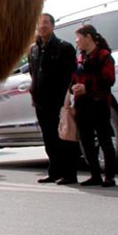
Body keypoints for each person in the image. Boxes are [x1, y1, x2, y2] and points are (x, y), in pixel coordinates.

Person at [29, 13, 79, 184]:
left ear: (52, 25)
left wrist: (67, 97)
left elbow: (71, 74)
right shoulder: (33, 49)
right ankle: (54, 171)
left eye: (45, 23)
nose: (42, 26)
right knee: (49, 138)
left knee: (64, 137)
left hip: (58, 101)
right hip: (41, 101)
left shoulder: (64, 48)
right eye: (39, 23)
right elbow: (33, 73)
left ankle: (70, 173)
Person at [71, 25, 117, 187]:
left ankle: (109, 176)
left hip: (99, 104)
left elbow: (109, 80)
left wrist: (87, 88)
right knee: (86, 140)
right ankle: (95, 174)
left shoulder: (104, 56)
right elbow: (73, 79)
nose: (76, 41)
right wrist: (74, 88)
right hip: (82, 105)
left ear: (88, 37)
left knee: (104, 139)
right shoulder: (80, 58)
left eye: (78, 37)